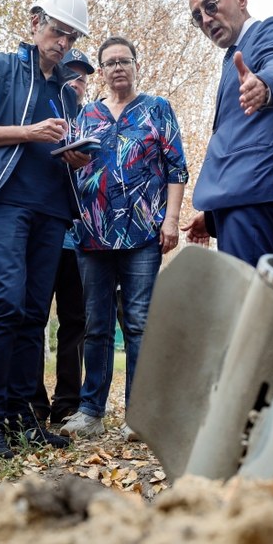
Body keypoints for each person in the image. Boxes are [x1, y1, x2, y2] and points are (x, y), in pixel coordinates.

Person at [0, 0, 89, 458]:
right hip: (3, 202)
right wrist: (27, 133)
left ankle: (21, 416)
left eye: (71, 37)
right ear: (34, 23)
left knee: (35, 315)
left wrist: (75, 158)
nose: (62, 43)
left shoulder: (67, 95)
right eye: (56, 31)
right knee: (6, 305)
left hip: (52, 209)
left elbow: (63, 150)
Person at [58, 36, 188, 439]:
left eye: (124, 61)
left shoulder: (158, 110)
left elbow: (176, 170)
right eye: (110, 62)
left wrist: (171, 220)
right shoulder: (86, 116)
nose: (117, 68)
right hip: (91, 236)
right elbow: (70, 169)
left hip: (143, 235)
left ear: (135, 65)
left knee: (139, 323)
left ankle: (141, 415)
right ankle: (91, 412)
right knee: (95, 325)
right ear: (101, 70)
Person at [181, 0, 273, 266]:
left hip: (255, 191)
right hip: (238, 197)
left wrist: (265, 86)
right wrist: (214, 214)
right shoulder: (231, 58)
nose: (206, 19)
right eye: (197, 16)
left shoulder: (270, 29)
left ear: (240, 0)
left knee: (245, 299)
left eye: (211, 6)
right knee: (240, 297)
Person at [32, 47, 94, 426]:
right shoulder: (42, 115)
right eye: (70, 73)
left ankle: (67, 401)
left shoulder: (95, 121)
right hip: (42, 235)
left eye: (83, 76)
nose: (77, 81)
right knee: (34, 317)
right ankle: (34, 402)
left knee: (75, 322)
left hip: (80, 242)